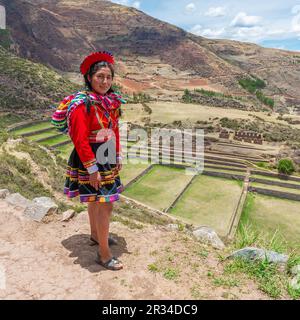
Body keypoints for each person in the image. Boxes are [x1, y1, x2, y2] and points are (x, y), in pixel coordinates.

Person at [54, 51, 125, 270]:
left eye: (108, 77)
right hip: (91, 158)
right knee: (105, 205)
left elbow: (114, 129)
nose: (105, 81)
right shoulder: (81, 104)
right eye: (100, 77)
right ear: (89, 78)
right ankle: (104, 255)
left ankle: (96, 235)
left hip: (107, 153)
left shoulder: (110, 101)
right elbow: (79, 137)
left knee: (97, 200)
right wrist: (92, 167)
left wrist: (117, 154)